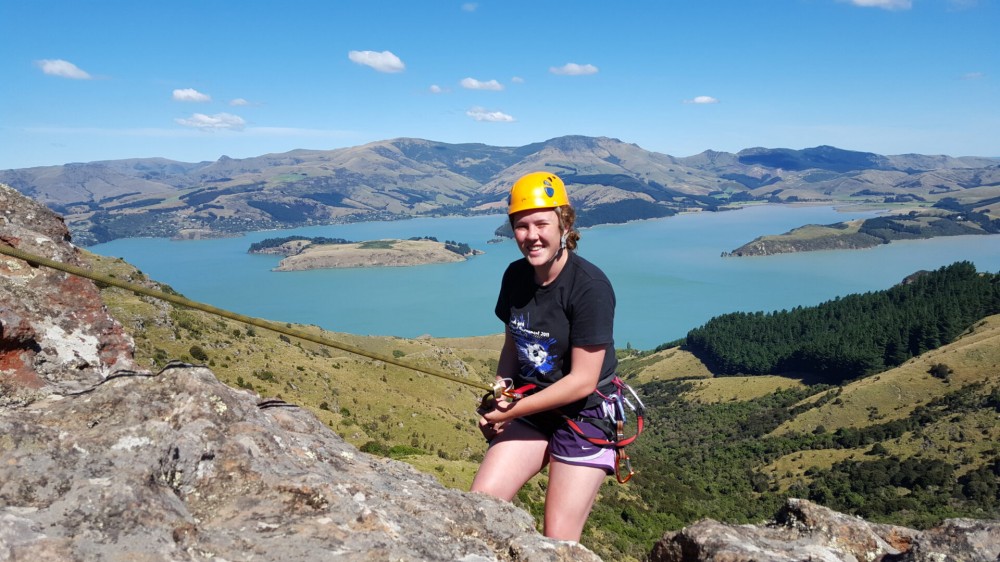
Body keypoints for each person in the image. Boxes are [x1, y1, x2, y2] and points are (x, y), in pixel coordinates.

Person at [471, 171, 620, 541]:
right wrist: (501, 392)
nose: (532, 235)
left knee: (557, 540)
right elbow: (512, 346)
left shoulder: (590, 287)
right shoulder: (515, 276)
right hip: (532, 404)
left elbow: (583, 380)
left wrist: (512, 410)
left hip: (585, 413)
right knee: (478, 507)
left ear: (564, 223)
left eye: (542, 223)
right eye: (522, 226)